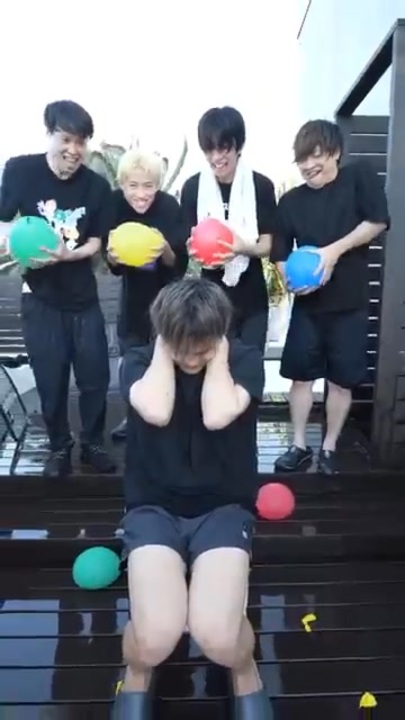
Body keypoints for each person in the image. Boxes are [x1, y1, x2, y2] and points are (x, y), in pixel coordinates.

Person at [114, 278, 272, 719]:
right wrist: (164, 349)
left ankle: (244, 669)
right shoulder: (138, 361)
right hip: (153, 508)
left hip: (223, 509)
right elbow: (156, 410)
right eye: (180, 347)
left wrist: (217, 354)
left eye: (200, 348)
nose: (189, 359)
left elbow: (218, 414)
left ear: (219, 335)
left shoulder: (244, 360)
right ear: (164, 336)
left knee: (218, 638)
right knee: (154, 640)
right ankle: (137, 671)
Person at [0, 100, 116, 477]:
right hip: (40, 299)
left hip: (83, 299)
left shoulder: (97, 186)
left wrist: (69, 255)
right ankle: (59, 447)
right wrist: (12, 240)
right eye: (65, 139)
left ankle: (92, 444)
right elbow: (3, 220)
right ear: (49, 134)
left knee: (95, 378)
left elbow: (97, 242)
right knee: (50, 381)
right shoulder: (20, 171)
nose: (73, 150)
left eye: (81, 142)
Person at [272, 119, 390, 475]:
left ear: (335, 152)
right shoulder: (290, 201)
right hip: (308, 307)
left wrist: (332, 252)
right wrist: (290, 281)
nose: (308, 165)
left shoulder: (359, 178)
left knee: (341, 381)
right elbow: (279, 251)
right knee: (300, 378)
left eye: (316, 156)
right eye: (302, 159)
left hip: (351, 305)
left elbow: (378, 221)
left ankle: (329, 447)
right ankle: (298, 445)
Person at [180, 106, 277, 354]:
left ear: (238, 145)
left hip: (252, 297)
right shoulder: (192, 188)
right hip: (211, 299)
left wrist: (242, 248)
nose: (216, 157)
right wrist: (193, 251)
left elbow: (267, 243)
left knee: (250, 365)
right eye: (209, 149)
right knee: (214, 365)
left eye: (223, 148)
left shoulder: (261, 186)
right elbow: (190, 242)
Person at [107, 149, 188, 441]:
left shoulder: (168, 207)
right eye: (133, 185)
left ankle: (170, 418)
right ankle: (132, 417)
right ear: (122, 184)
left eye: (148, 186)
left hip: (167, 300)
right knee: (131, 359)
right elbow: (113, 265)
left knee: (168, 357)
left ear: (158, 185)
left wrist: (164, 249)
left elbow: (178, 264)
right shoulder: (115, 204)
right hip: (133, 300)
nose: (141, 194)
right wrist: (112, 256)